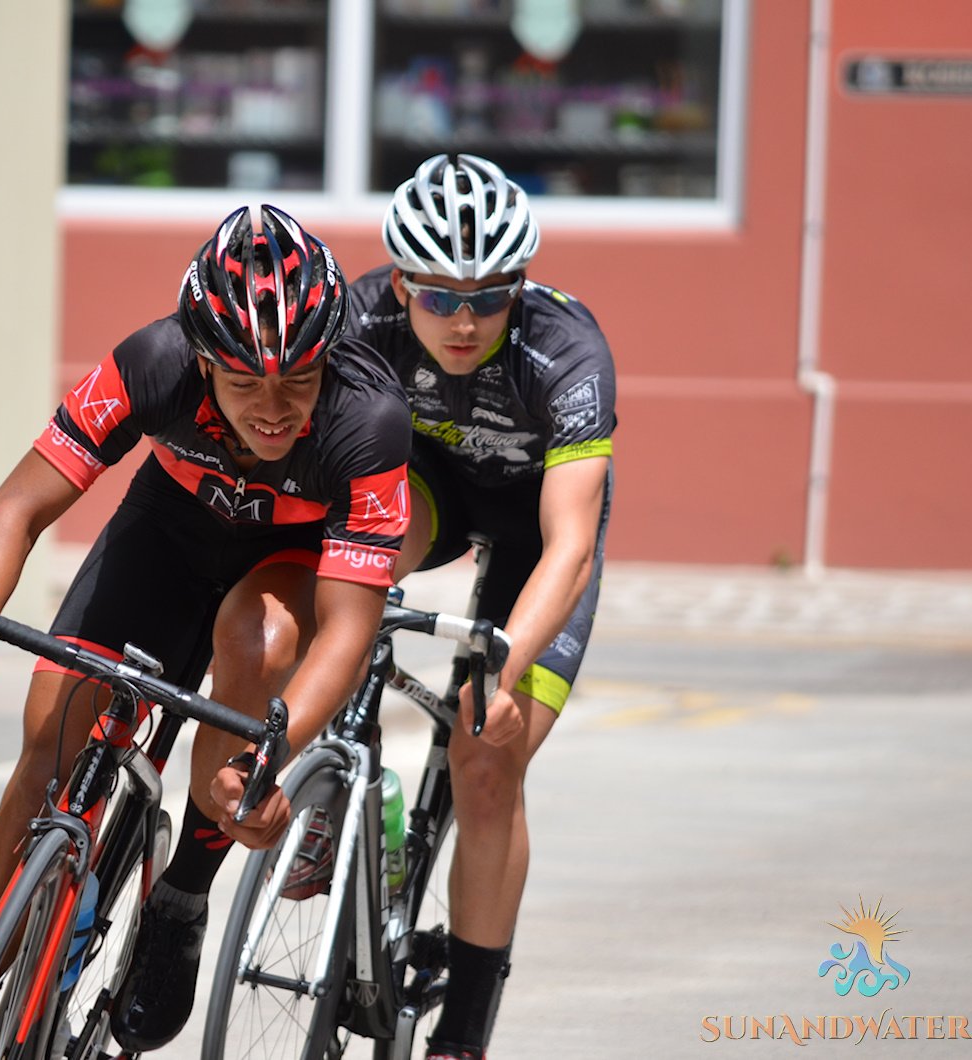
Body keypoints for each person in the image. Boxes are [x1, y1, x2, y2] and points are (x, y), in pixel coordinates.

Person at [0, 204, 411, 1051]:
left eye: (297, 382)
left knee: (258, 650)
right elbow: (21, 505)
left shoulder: (368, 421)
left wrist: (270, 753)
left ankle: (184, 894)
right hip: (165, 535)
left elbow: (347, 631)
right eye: (245, 383)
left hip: (283, 561)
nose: (274, 409)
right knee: (46, 755)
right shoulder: (154, 361)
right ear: (203, 361)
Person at [344, 153, 616, 1060]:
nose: (463, 321)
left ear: (521, 288)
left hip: (536, 530)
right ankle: (338, 780)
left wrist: (501, 666)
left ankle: (462, 1031)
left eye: (490, 299)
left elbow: (571, 544)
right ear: (401, 282)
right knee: (352, 568)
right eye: (438, 299)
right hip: (431, 493)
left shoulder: (567, 352)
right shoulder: (360, 316)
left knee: (486, 754)